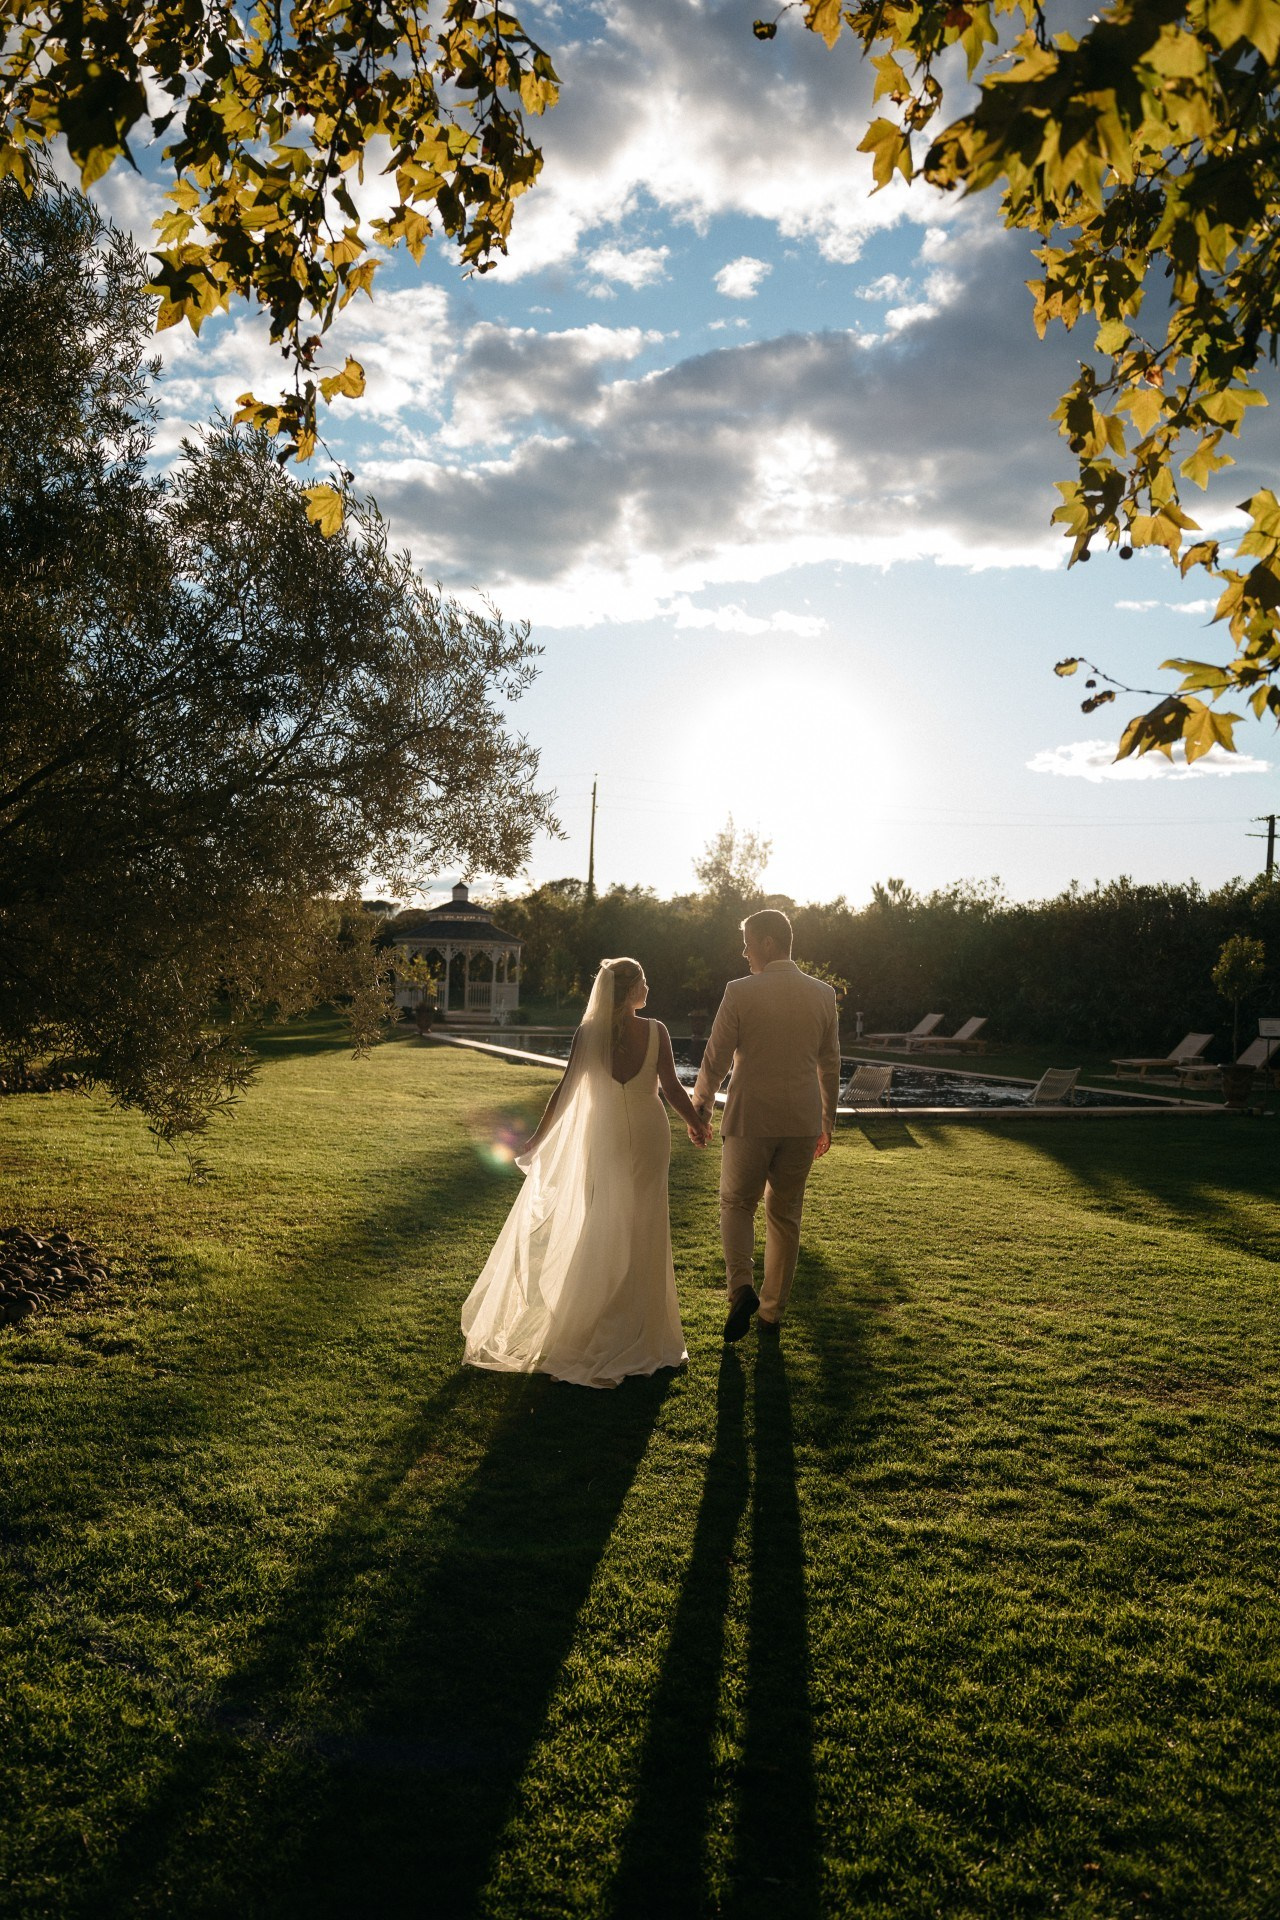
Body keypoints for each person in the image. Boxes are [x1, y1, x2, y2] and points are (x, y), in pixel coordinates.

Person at [461, 957, 711, 1389]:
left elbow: (566, 1091)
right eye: (644, 981)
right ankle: (639, 1329)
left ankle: (602, 1318)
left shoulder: (587, 1034)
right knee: (646, 1223)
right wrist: (696, 1124)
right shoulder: (657, 1031)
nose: (648, 988)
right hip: (649, 1134)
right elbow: (671, 1087)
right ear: (631, 990)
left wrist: (537, 1138)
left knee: (605, 1220)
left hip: (607, 1135)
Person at [691, 909, 840, 1344]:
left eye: (748, 943)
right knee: (785, 1215)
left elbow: (715, 1058)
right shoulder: (823, 994)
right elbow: (830, 1064)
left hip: (750, 1118)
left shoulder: (739, 991)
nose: (745, 952)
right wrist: (827, 1120)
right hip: (802, 1122)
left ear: (769, 943)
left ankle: (741, 1288)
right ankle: (771, 1314)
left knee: (737, 1204)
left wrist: (701, 1107)